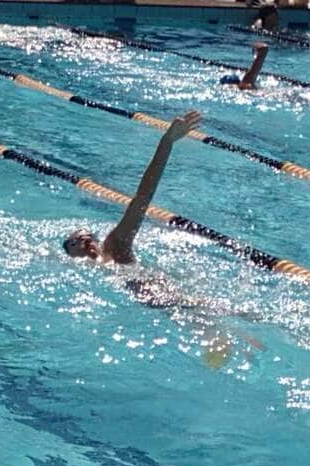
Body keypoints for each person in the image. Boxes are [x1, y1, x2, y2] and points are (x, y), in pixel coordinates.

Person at [62, 110, 263, 362]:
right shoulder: (79, 271)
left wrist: (166, 142)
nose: (82, 240)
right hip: (168, 307)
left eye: (85, 236)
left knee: (232, 322)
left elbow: (142, 199)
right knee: (227, 330)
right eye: (73, 242)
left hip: (170, 299)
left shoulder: (115, 245)